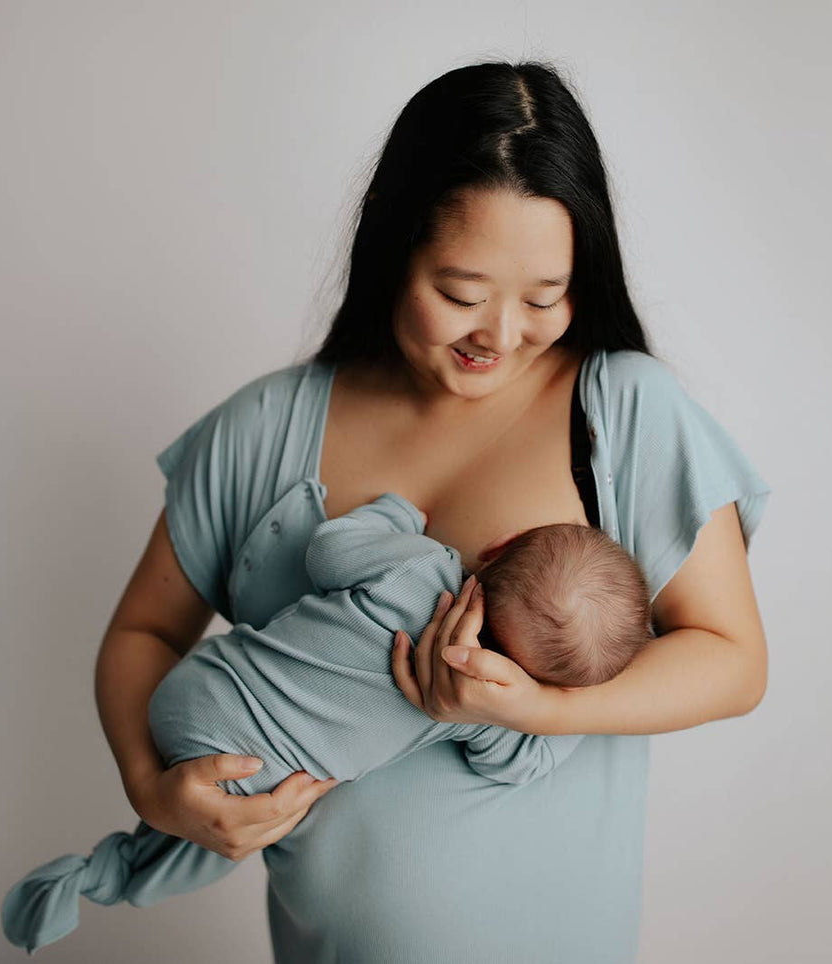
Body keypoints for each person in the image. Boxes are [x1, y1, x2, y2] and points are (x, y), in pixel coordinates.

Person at [89, 61, 772, 963]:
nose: (500, 334)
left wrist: (537, 709)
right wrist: (151, 787)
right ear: (391, 240)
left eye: (544, 297)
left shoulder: (621, 412)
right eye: (461, 294)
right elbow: (142, 633)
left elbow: (731, 662)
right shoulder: (262, 430)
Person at [0, 491, 653, 952]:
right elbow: (525, 762)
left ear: (499, 546)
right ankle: (108, 873)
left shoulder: (417, 564)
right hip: (250, 776)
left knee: (209, 815)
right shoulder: (475, 704)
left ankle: (107, 868)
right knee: (212, 842)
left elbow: (329, 550)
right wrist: (540, 708)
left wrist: (394, 515)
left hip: (198, 688)